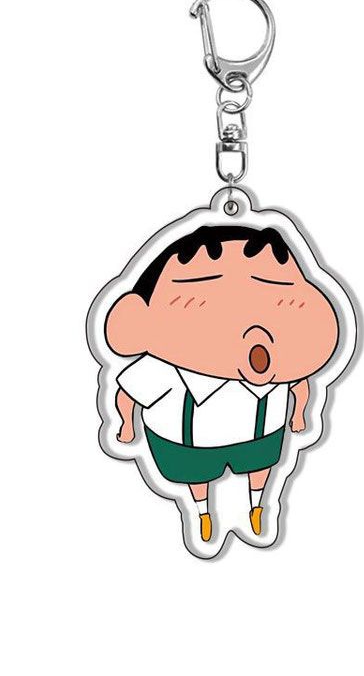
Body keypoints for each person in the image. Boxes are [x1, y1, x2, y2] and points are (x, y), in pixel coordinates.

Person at [104, 225, 339, 542]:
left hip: (260, 436)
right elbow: (128, 394)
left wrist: (299, 415)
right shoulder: (166, 369)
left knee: (260, 468)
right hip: (187, 444)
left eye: (274, 286)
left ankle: (257, 506)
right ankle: (202, 512)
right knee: (197, 478)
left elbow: (299, 385)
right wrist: (126, 425)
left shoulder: (281, 369)